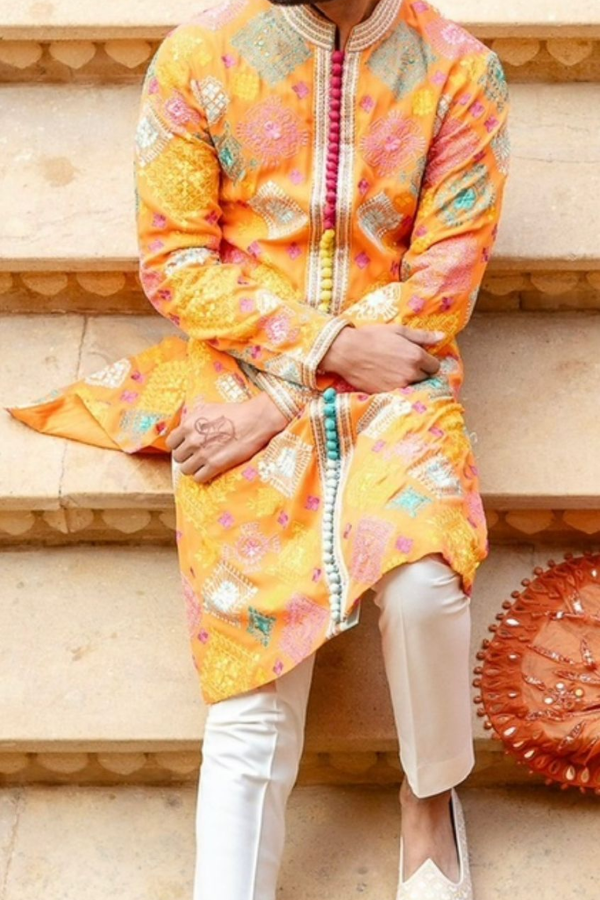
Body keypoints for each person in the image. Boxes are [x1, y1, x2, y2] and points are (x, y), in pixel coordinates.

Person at [6, 0, 511, 895]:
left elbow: (441, 285)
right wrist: (310, 356)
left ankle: (429, 799)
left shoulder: (459, 72)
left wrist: (290, 397)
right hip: (240, 363)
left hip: (395, 372)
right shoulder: (200, 57)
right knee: (252, 689)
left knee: (425, 588)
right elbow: (177, 262)